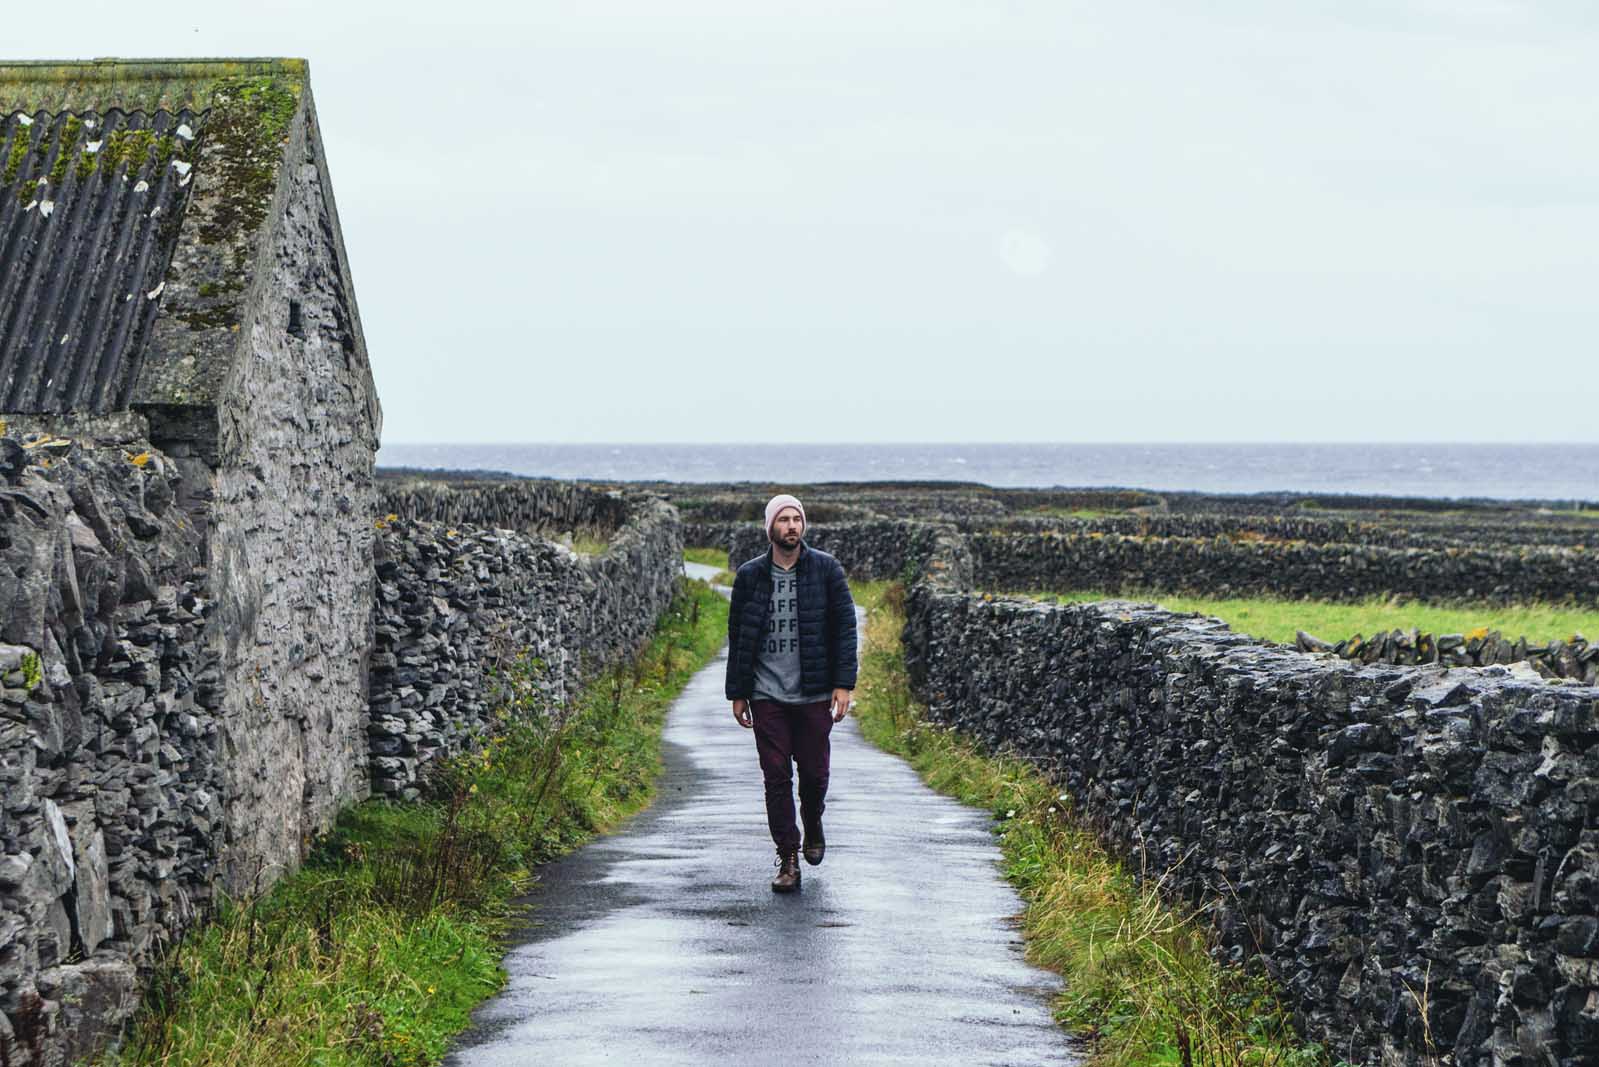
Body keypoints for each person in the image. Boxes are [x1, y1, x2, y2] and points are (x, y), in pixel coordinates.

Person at [725, 493, 857, 893]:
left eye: (796, 518)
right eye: (783, 520)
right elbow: (739, 637)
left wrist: (843, 684)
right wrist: (738, 692)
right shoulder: (750, 575)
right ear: (771, 528)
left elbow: (845, 628)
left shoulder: (826, 570)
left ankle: (813, 819)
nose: (791, 526)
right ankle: (788, 858)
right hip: (767, 695)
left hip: (815, 693)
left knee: (815, 775)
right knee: (776, 777)